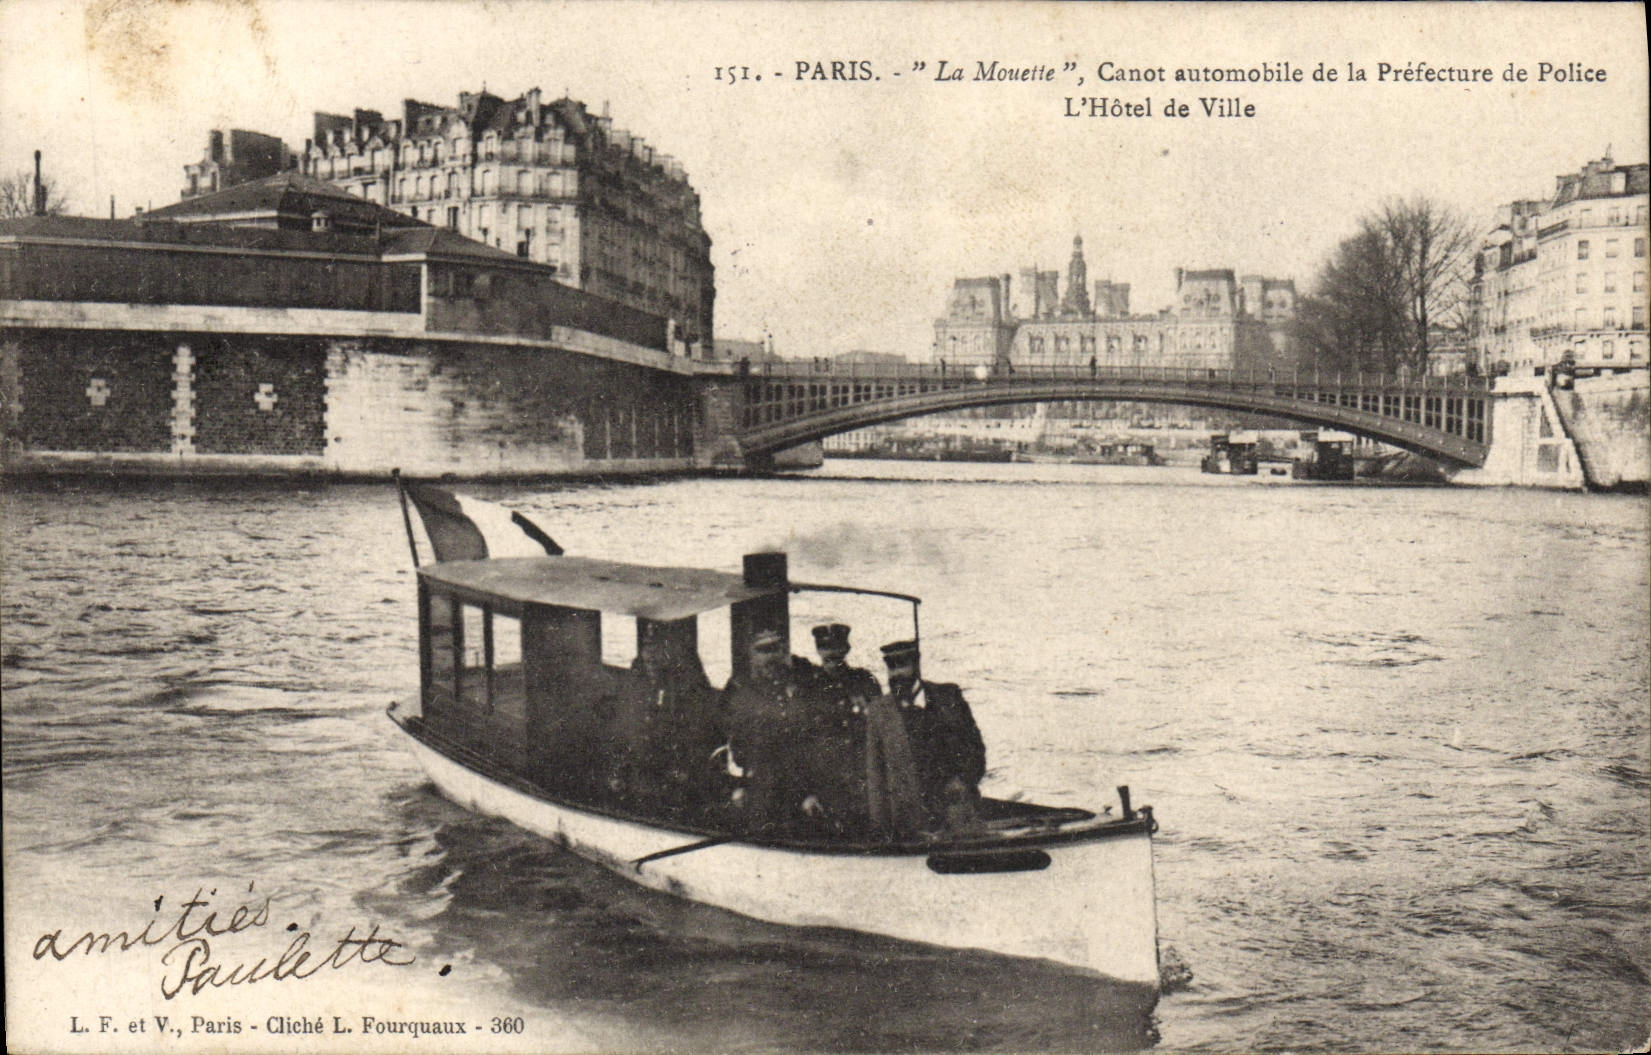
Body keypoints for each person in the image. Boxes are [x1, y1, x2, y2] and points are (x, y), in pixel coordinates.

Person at [722, 629, 827, 837]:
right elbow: (730, 741)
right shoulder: (740, 689)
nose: (770, 656)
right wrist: (736, 787)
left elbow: (816, 739)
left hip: (799, 784)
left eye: (775, 649)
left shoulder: (804, 682)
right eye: (763, 650)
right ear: (752, 655)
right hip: (759, 783)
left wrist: (813, 789)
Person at [880, 640, 986, 831]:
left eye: (903, 665)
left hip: (956, 804)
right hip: (911, 813)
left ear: (916, 665)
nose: (897, 674)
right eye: (891, 668)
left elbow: (975, 749)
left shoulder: (948, 698)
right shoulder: (883, 711)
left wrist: (962, 781)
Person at [804, 624, 883, 834]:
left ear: (846, 649)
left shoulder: (865, 680)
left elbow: (880, 728)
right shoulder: (808, 686)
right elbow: (801, 741)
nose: (831, 653)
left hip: (861, 778)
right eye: (825, 647)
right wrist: (807, 790)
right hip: (824, 781)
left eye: (837, 647)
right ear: (818, 651)